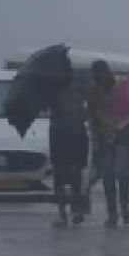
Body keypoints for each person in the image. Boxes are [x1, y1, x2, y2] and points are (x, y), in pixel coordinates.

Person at [88, 60, 129, 228]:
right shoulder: (94, 94)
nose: (99, 77)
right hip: (104, 141)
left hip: (121, 137)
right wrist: (97, 135)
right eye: (97, 74)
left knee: (121, 174)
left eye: (100, 73)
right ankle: (113, 213)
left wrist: (121, 126)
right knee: (108, 177)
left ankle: (125, 207)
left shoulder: (120, 90)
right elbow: (92, 118)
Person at [49, 83, 89, 228]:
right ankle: (69, 212)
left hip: (71, 145)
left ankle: (69, 212)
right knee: (66, 181)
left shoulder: (68, 102)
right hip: (65, 145)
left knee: (70, 181)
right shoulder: (62, 102)